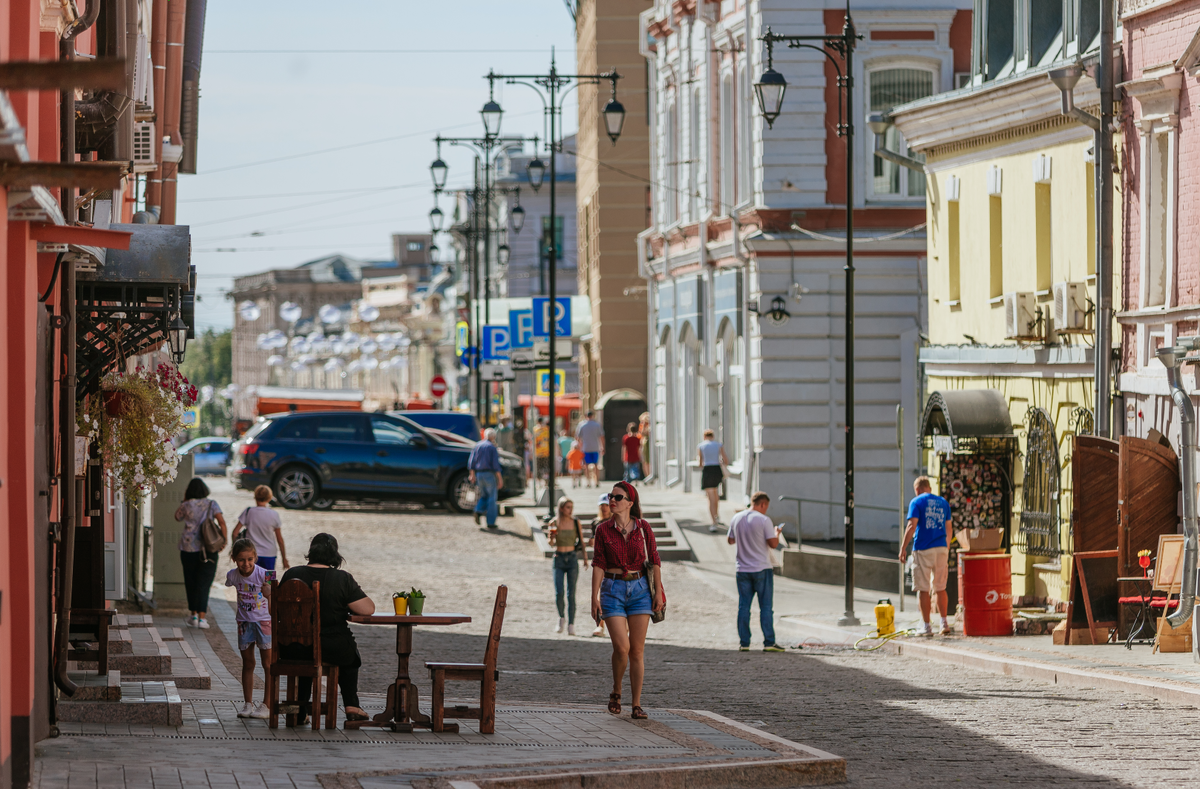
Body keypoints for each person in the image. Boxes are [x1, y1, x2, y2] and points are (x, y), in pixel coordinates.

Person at [280, 533, 375, 725]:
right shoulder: (341, 579)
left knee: (308, 657)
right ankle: (351, 705)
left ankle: (299, 710)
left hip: (292, 647)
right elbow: (368, 609)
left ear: (311, 552)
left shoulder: (291, 574)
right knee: (350, 656)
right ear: (335, 555)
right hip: (331, 646)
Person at [590, 481, 665, 720]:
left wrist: (658, 593)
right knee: (621, 647)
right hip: (612, 589)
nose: (612, 500)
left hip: (641, 589)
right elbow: (599, 563)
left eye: (618, 497)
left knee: (637, 650)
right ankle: (616, 690)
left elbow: (654, 560)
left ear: (630, 503)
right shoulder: (602, 530)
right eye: (611, 496)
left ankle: (636, 704)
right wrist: (594, 596)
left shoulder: (643, 527)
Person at [727, 492, 785, 652]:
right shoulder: (764, 520)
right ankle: (769, 642)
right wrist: (777, 533)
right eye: (766, 506)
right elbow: (773, 544)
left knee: (743, 607)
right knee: (766, 607)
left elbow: (730, 540)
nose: (766, 509)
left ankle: (744, 643)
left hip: (742, 569)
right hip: (761, 568)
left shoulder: (736, 518)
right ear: (762, 504)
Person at [899, 476, 954, 636]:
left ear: (917, 489)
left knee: (923, 588)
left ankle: (927, 626)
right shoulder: (943, 502)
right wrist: (947, 545)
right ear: (929, 487)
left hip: (923, 548)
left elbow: (911, 525)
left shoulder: (916, 502)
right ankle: (944, 623)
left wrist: (903, 548)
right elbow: (948, 528)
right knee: (940, 587)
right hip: (941, 548)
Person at [226, 538, 273, 719]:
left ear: (255, 558)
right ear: (234, 559)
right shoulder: (232, 575)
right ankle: (248, 703)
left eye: (250, 559)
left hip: (264, 622)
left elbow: (274, 592)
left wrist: (269, 592)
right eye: (241, 560)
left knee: (268, 665)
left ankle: (266, 704)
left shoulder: (265, 574)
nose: (246, 564)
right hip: (244, 623)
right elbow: (231, 583)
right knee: (248, 663)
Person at [174, 477, 227, 630]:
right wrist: (223, 541)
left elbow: (177, 517)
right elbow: (222, 522)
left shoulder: (186, 505)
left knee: (190, 581)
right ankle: (202, 618)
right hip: (208, 548)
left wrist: (184, 500)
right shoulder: (212, 504)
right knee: (204, 582)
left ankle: (194, 615)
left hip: (188, 548)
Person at [548, 498, 589, 635]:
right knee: (559, 592)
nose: (570, 510)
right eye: (567, 507)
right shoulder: (554, 522)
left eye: (571, 507)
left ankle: (571, 624)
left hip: (572, 559)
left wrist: (585, 558)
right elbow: (551, 543)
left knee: (571, 594)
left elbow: (581, 541)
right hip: (558, 558)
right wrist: (551, 537)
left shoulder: (576, 522)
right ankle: (561, 618)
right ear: (561, 508)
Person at [232, 485, 290, 582]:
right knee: (269, 583)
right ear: (269, 498)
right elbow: (279, 539)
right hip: (270, 555)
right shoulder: (274, 514)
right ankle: (268, 598)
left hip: (251, 556)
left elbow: (235, 533)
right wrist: (284, 558)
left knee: (251, 583)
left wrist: (235, 551)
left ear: (255, 496)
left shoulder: (248, 512)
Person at [469, 428, 504, 529]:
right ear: (493, 436)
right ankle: (491, 522)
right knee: (492, 498)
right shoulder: (492, 448)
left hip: (479, 474)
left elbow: (471, 462)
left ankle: (478, 510)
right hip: (489, 474)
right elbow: (496, 465)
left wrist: (472, 474)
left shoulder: (477, 445)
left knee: (484, 495)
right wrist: (500, 479)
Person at [589, 494, 612, 637]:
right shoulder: (596, 523)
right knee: (600, 593)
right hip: (601, 562)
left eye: (606, 505)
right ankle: (600, 625)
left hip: (615, 562)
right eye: (602, 505)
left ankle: (626, 625)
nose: (604, 508)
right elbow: (592, 541)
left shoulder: (616, 522)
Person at [698, 429, 730, 533]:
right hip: (717, 470)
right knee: (715, 495)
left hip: (708, 470)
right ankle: (717, 516)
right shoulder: (718, 444)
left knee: (710, 497)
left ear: (704, 436)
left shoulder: (701, 446)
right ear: (713, 436)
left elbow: (700, 463)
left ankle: (713, 522)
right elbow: (726, 460)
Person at [575, 411, 605, 488]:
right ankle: (596, 481)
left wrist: (580, 445)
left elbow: (577, 437)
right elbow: (601, 437)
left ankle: (588, 482)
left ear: (585, 416)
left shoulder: (582, 425)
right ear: (593, 416)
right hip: (595, 447)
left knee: (586, 466)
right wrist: (603, 447)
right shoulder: (597, 425)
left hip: (585, 448)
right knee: (596, 465)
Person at [638, 413, 652, 481]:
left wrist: (644, 426)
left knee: (646, 461)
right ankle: (647, 476)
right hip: (643, 443)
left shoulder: (647, 426)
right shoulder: (643, 425)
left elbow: (643, 433)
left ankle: (648, 475)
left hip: (646, 443)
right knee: (644, 461)